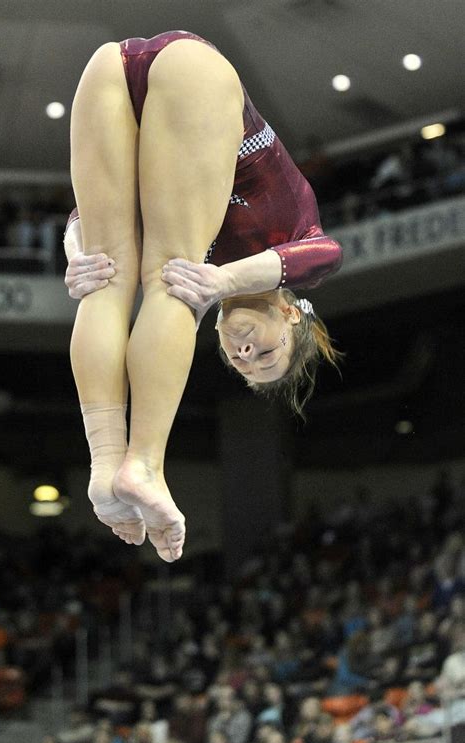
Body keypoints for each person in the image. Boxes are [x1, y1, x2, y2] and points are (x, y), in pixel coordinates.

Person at [65, 31, 342, 562]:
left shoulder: (204, 278)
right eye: (265, 352)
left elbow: (82, 215)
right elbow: (327, 252)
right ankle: (143, 464)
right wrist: (220, 283)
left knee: (105, 279)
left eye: (241, 362)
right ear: (289, 317)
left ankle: (105, 465)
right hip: (194, 73)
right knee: (173, 280)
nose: (244, 353)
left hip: (107, 67)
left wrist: (76, 251)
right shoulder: (285, 266)